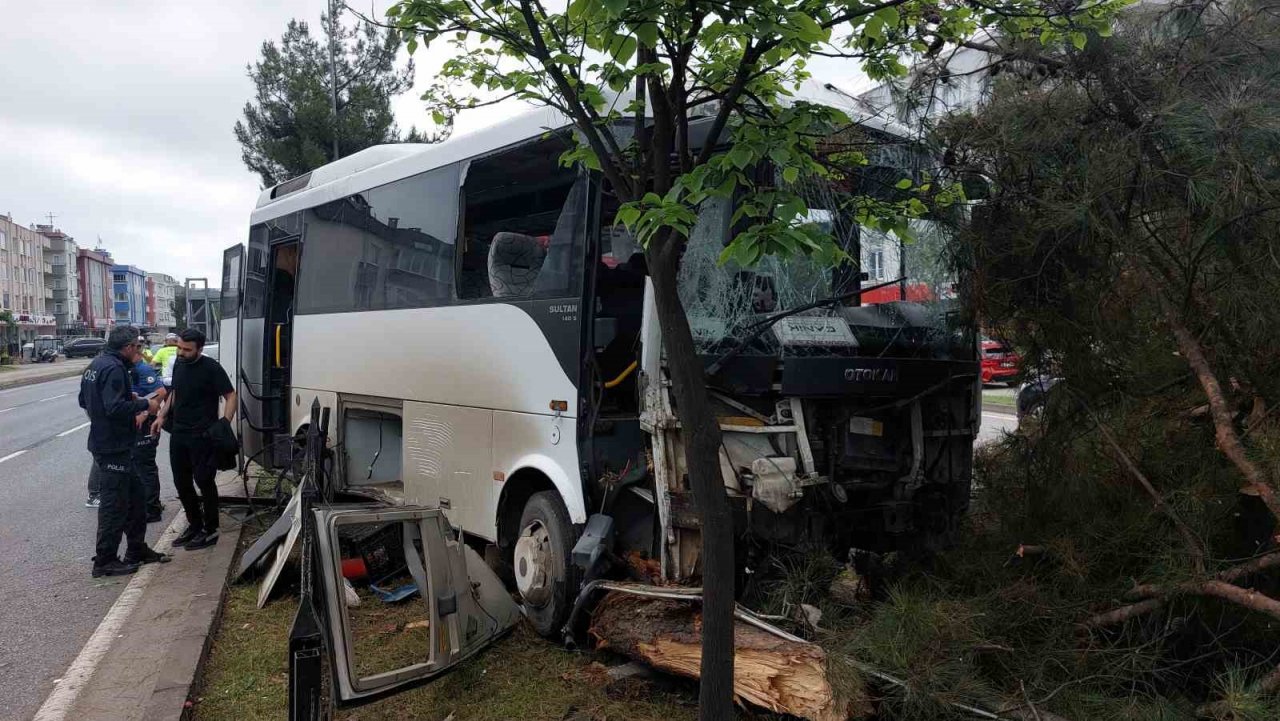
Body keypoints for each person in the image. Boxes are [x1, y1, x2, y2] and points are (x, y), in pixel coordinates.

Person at [78, 326, 169, 577]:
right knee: (114, 505)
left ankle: (136, 549)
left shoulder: (96, 364)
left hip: (113, 443)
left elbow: (83, 401)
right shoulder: (115, 368)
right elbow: (114, 407)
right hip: (112, 447)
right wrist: (144, 404)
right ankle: (105, 561)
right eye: (137, 347)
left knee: (137, 498)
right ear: (128, 347)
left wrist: (123, 398)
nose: (139, 351)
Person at [152, 328, 235, 550]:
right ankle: (194, 524)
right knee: (181, 482)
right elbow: (174, 393)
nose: (181, 352)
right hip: (179, 433)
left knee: (204, 481)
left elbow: (231, 395)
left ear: (199, 348)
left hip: (203, 435)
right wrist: (162, 415)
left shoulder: (211, 368)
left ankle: (211, 529)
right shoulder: (179, 364)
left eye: (186, 349)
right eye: (179, 347)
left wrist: (224, 424)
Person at [131, 354, 168, 522]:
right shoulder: (125, 369)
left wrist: (144, 411)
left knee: (145, 467)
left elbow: (160, 392)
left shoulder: (143, 369)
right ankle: (145, 505)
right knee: (136, 467)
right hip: (133, 426)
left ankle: (152, 509)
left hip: (146, 424)